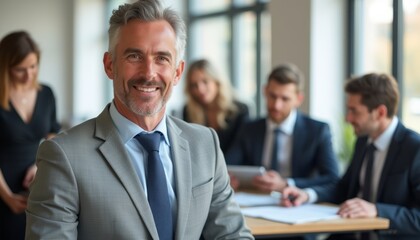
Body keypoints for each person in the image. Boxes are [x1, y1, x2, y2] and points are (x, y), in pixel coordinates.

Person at [25, 1, 253, 239]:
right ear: (110, 65)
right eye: (134, 56)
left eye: (162, 58)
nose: (148, 73)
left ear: (177, 72)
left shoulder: (205, 144)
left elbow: (233, 234)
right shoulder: (63, 156)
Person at [282, 73, 420, 240]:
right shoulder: (363, 141)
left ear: (380, 112)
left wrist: (376, 210)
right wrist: (308, 195)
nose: (348, 118)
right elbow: (344, 188)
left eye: (354, 111)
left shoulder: (414, 149)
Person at [226, 63, 339, 192]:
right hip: (255, 198)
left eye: (285, 99)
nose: (276, 105)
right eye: (272, 96)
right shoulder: (249, 129)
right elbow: (228, 166)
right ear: (265, 91)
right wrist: (229, 178)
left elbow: (332, 178)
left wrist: (286, 184)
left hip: (295, 203)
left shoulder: (317, 131)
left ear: (298, 99)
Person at [0, 31, 61, 240]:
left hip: (37, 187)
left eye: (33, 66)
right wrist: (7, 197)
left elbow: (53, 133)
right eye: (20, 69)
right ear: (5, 67)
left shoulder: (47, 93)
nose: (29, 75)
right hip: (3, 191)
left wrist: (39, 164)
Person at [182, 59, 249, 154]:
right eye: (194, 85)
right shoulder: (188, 111)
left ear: (217, 82)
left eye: (205, 82)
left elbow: (239, 149)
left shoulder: (240, 110)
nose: (200, 89)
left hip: (232, 167)